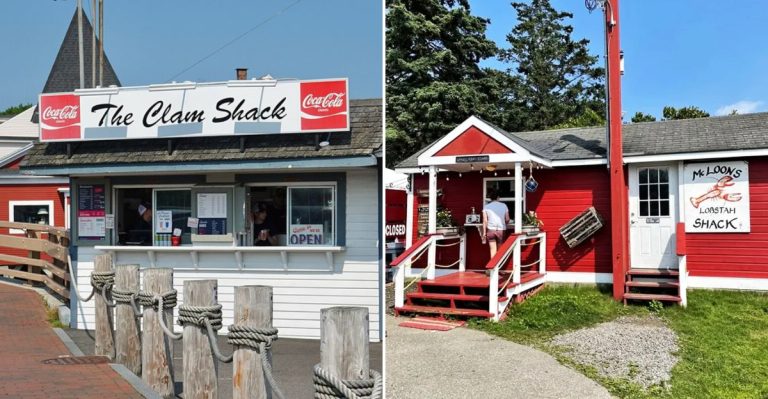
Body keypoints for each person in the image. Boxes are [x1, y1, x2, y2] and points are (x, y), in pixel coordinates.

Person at [482, 188, 510, 257]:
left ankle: (493, 267)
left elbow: (485, 221)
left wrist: (484, 233)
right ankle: (499, 267)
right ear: (498, 197)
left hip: (491, 230)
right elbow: (507, 219)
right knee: (500, 251)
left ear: (490, 198)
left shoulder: (486, 207)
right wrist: (504, 224)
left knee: (492, 250)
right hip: (501, 230)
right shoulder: (504, 205)